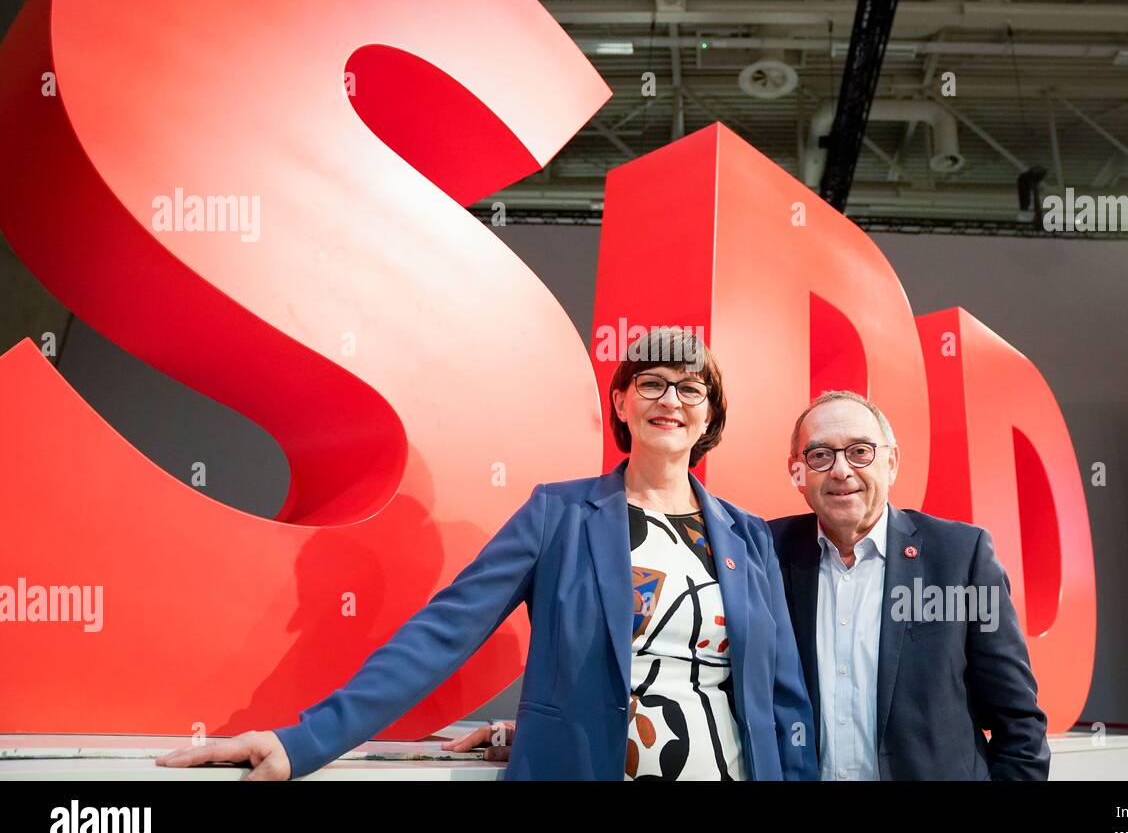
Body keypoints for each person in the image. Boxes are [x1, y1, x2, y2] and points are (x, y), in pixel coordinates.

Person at [156, 327, 817, 780]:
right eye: (651, 383)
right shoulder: (558, 514)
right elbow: (443, 635)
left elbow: (782, 697)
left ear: (709, 417)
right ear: (621, 401)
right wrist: (304, 742)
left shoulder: (749, 537)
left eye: (690, 388)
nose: (670, 399)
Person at [769, 390, 1050, 780]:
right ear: (797, 472)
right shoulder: (766, 554)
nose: (841, 470)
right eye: (819, 455)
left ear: (892, 462)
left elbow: (1018, 720)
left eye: (860, 451)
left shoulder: (961, 557)